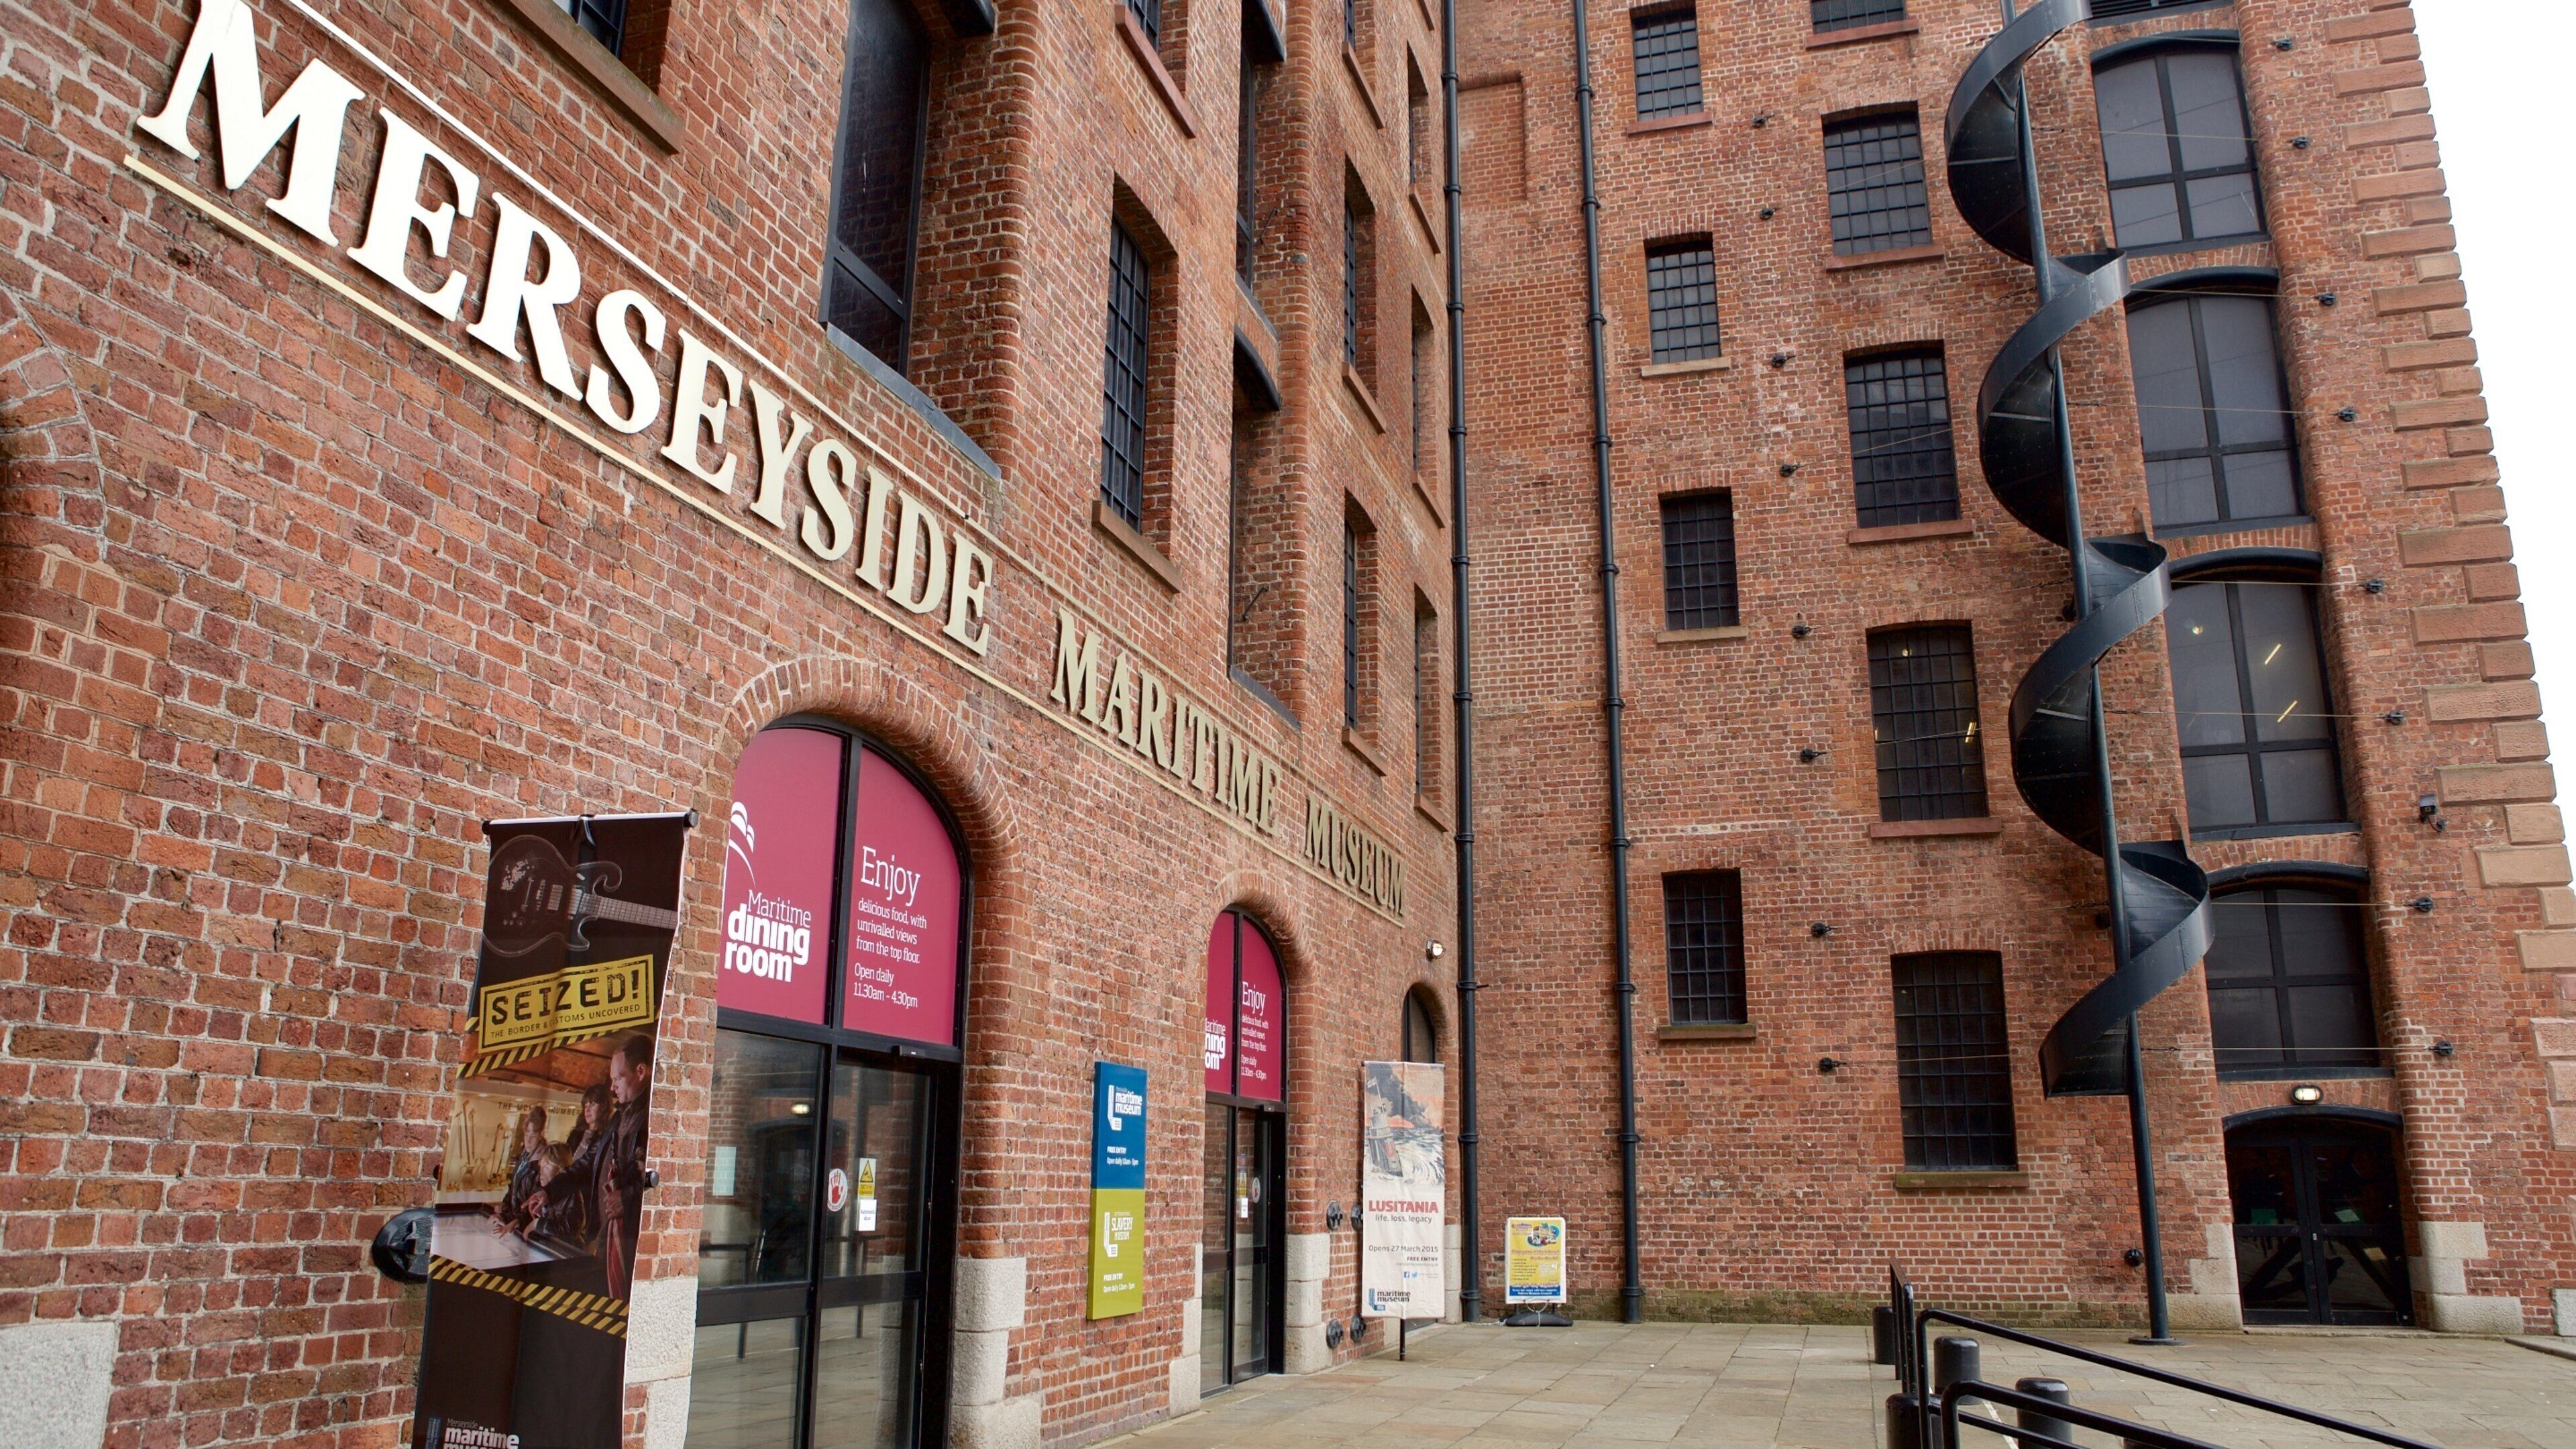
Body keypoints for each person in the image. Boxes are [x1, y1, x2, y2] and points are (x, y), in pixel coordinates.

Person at [595, 1034, 653, 1299]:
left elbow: (658, 1177)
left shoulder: (653, 1118)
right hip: (610, 1238)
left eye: (618, 1078)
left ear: (641, 1072)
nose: (612, 1087)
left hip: (629, 1243)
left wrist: (628, 1198)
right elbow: (592, 1162)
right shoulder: (621, 1117)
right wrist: (549, 1191)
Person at [562, 1083, 614, 1244]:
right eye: (586, 1104)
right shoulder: (576, 1135)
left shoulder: (607, 1138)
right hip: (568, 1199)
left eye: (593, 1104)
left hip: (590, 1204)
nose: (587, 1109)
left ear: (604, 1106)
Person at [490, 1106, 549, 1236]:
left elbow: (535, 1204)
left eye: (533, 1136)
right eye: (526, 1135)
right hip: (515, 1223)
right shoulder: (523, 1156)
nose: (528, 1140)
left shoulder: (543, 1163)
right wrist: (504, 1212)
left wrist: (517, 1221)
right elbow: (513, 1188)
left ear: (541, 1135)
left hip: (527, 1228)